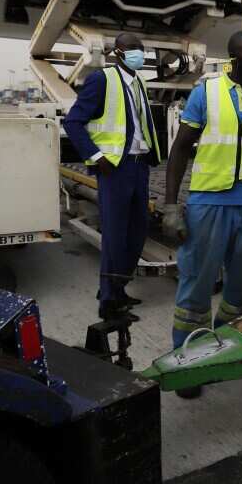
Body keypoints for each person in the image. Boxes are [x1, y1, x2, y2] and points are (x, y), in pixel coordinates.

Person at [161, 30, 242, 398]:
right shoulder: (205, 93)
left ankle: (234, 350)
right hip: (210, 202)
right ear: (234, 59)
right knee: (197, 284)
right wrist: (171, 205)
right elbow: (179, 150)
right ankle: (189, 363)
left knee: (240, 287)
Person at [62, 33, 161, 321]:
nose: (139, 54)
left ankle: (118, 287)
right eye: (132, 49)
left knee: (137, 232)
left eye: (141, 49)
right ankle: (108, 301)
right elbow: (73, 122)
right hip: (115, 168)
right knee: (115, 235)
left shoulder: (140, 82)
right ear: (117, 53)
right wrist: (95, 156)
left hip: (139, 165)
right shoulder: (102, 79)